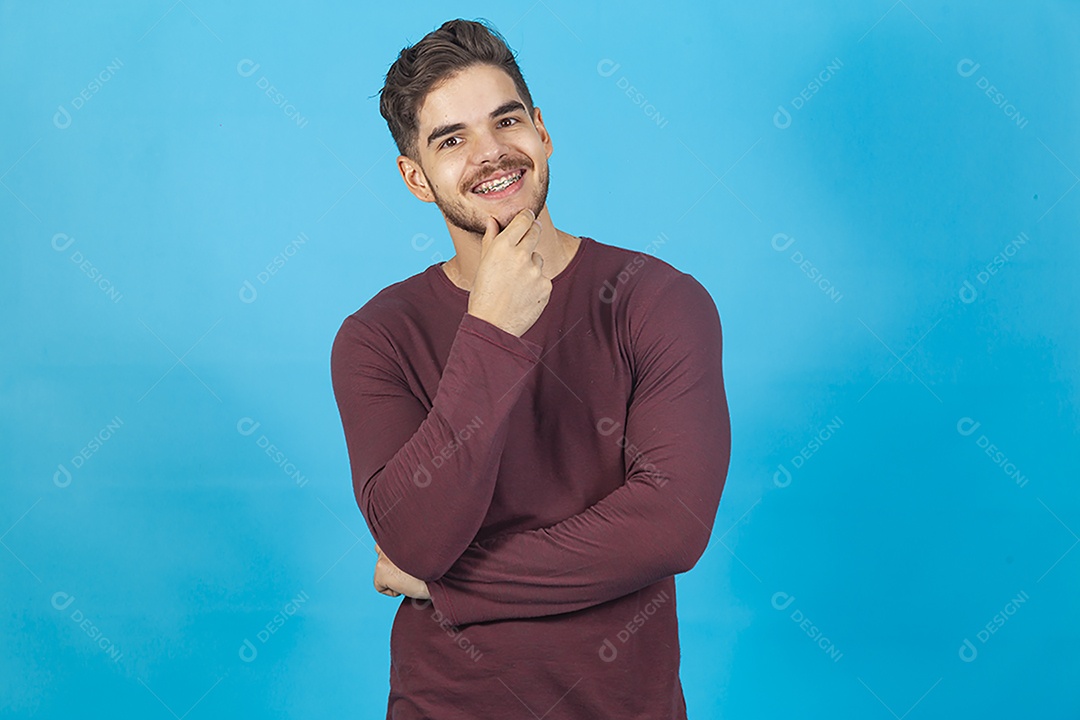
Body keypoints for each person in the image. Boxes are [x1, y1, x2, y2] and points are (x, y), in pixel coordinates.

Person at [330, 17, 731, 719]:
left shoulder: (658, 301)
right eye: (451, 140)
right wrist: (490, 330)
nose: (491, 154)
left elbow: (671, 525)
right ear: (416, 178)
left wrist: (446, 585)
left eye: (506, 121)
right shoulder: (376, 338)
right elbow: (416, 537)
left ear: (542, 133)